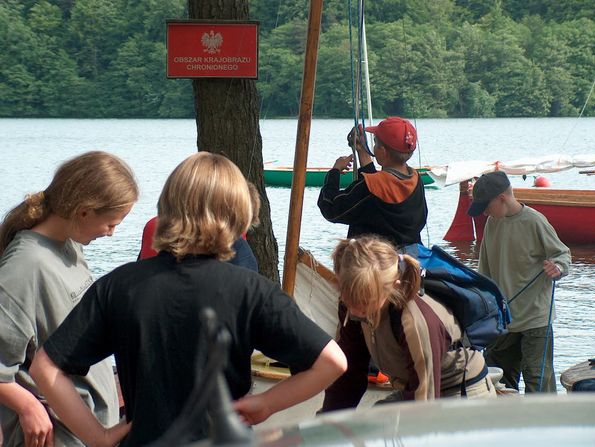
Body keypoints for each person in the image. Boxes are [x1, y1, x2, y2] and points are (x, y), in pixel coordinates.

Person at [30, 152, 347, 446]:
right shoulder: (250, 290)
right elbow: (332, 362)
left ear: (167, 208)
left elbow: (45, 368)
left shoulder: (118, 286)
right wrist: (267, 403)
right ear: (238, 216)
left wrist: (98, 436)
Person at [0, 151, 138, 447]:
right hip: (56, 436)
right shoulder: (25, 265)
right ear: (84, 212)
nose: (112, 234)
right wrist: (28, 406)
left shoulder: (70, 246)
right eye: (111, 223)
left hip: (89, 430)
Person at [321, 235, 496, 412]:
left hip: (461, 392)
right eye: (349, 298)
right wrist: (329, 422)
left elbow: (424, 403)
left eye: (366, 301)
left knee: (385, 426)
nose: (356, 310)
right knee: (367, 422)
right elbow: (349, 374)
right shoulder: (352, 305)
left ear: (394, 286)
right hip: (412, 386)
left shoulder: (414, 321)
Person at [468, 170, 571, 393]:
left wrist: (558, 267)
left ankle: (541, 417)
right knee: (498, 381)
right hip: (503, 319)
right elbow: (484, 272)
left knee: (538, 382)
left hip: (536, 318)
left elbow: (562, 254)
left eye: (486, 206)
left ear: (502, 198)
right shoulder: (492, 223)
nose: (484, 212)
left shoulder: (534, 221)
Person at [317, 117, 428, 247]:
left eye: (375, 143)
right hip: (408, 256)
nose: (373, 146)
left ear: (383, 152)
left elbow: (331, 208)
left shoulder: (372, 187)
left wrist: (335, 171)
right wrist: (362, 151)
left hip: (373, 258)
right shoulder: (415, 180)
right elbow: (380, 191)